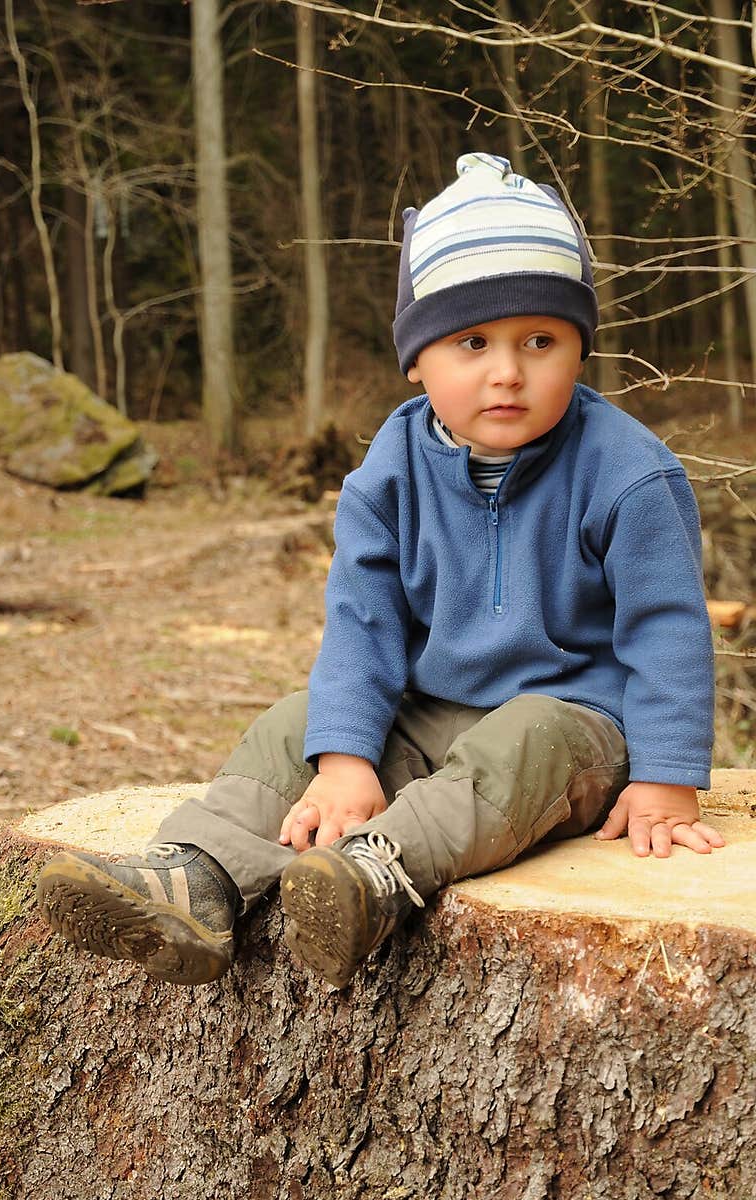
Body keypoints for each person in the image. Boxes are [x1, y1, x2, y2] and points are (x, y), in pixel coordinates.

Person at [36, 150, 724, 993]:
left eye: (540, 340)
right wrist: (347, 758)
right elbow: (364, 623)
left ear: (580, 347)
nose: (507, 370)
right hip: (431, 713)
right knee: (299, 723)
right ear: (417, 360)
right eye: (473, 342)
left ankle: (374, 873)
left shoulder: (627, 471)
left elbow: (668, 628)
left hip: (576, 724)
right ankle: (195, 879)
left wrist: (666, 776)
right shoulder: (389, 470)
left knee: (525, 738)